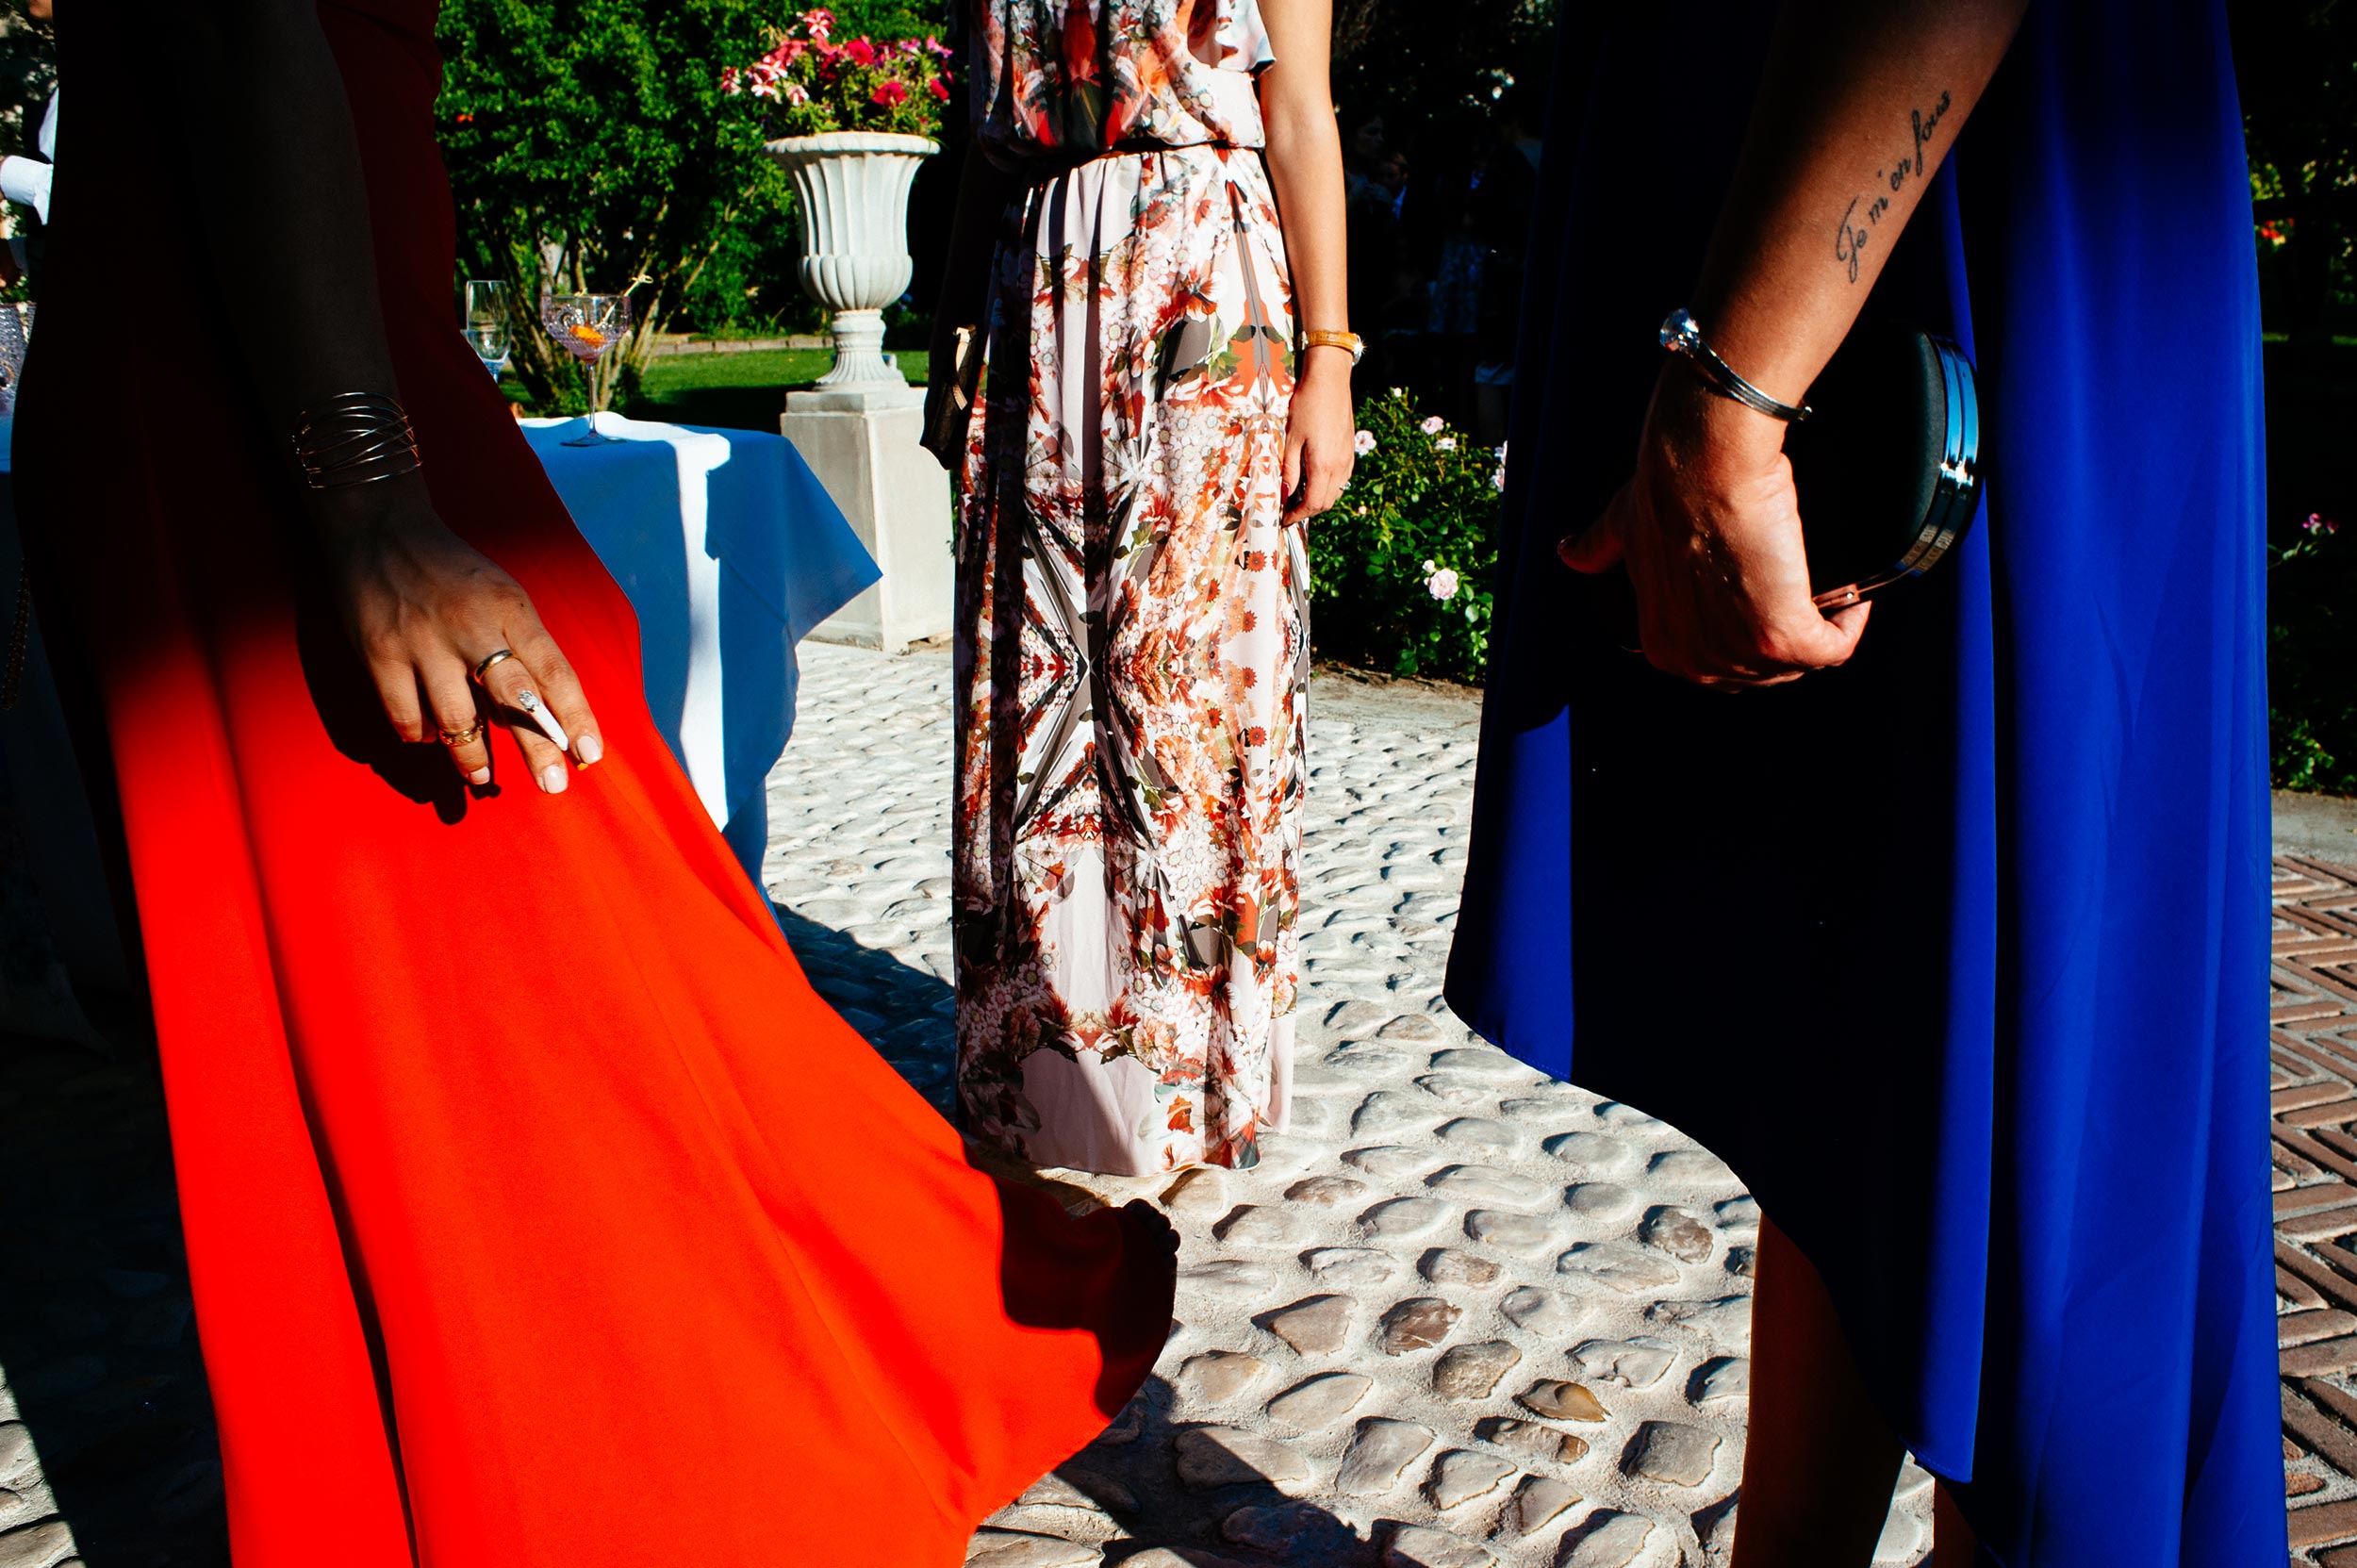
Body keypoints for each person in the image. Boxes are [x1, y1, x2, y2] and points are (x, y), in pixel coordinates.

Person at [12, 1, 1175, 1561]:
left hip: (262, 331)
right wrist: (368, 498)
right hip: (265, 382)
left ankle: (609, 1402)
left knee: (518, 930)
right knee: (450, 952)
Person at [1445, 1, 2280, 1564]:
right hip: (1877, 190)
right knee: (1880, 1018)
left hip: (1957, 199)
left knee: (2046, 1118)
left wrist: (1739, 381)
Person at [926, 0, 1355, 1174]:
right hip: (1035, 278)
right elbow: (983, 144)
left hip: (1197, 278)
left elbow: (1302, 114)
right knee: (1038, 677)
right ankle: (1040, 1068)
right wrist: (953, 323)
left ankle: (1184, 1071)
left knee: (1183, 681)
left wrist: (1330, 359)